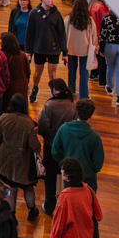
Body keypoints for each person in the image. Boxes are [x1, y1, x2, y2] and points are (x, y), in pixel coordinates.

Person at [0, 93, 41, 220]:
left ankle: (11, 215)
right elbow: (35, 146)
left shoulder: (3, 118)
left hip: (6, 161)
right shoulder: (30, 123)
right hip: (24, 163)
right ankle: (32, 211)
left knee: (10, 189)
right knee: (28, 188)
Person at [35, 80, 78, 214]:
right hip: (67, 146)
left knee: (50, 177)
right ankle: (65, 205)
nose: (48, 91)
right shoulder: (72, 104)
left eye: (50, 88)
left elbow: (42, 125)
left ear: (56, 91)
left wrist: (47, 136)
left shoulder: (50, 105)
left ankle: (50, 205)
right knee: (66, 176)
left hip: (51, 145)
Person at [50, 98, 105, 190]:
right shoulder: (94, 137)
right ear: (90, 115)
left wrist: (65, 164)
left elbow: (55, 151)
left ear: (76, 112)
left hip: (69, 174)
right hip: (88, 176)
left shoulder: (63, 129)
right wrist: (91, 170)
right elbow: (98, 162)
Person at [24, 0, 66, 96]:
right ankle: (35, 88)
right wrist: (28, 51)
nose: (52, 0)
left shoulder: (56, 13)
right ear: (43, 0)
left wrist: (64, 52)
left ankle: (53, 91)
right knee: (38, 72)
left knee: (52, 72)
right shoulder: (34, 13)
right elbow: (29, 33)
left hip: (53, 48)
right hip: (39, 48)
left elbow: (61, 33)